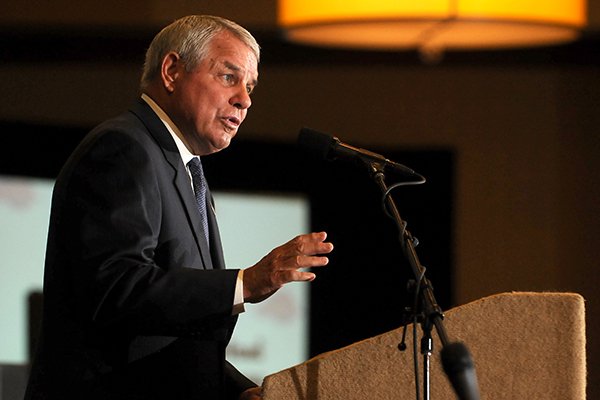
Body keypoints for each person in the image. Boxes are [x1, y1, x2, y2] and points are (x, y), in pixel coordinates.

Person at [24, 15, 333, 400]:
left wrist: (240, 391)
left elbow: (173, 332)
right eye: (228, 77)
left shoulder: (187, 171)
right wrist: (246, 282)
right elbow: (115, 288)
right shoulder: (124, 149)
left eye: (250, 86)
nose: (245, 99)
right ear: (171, 71)